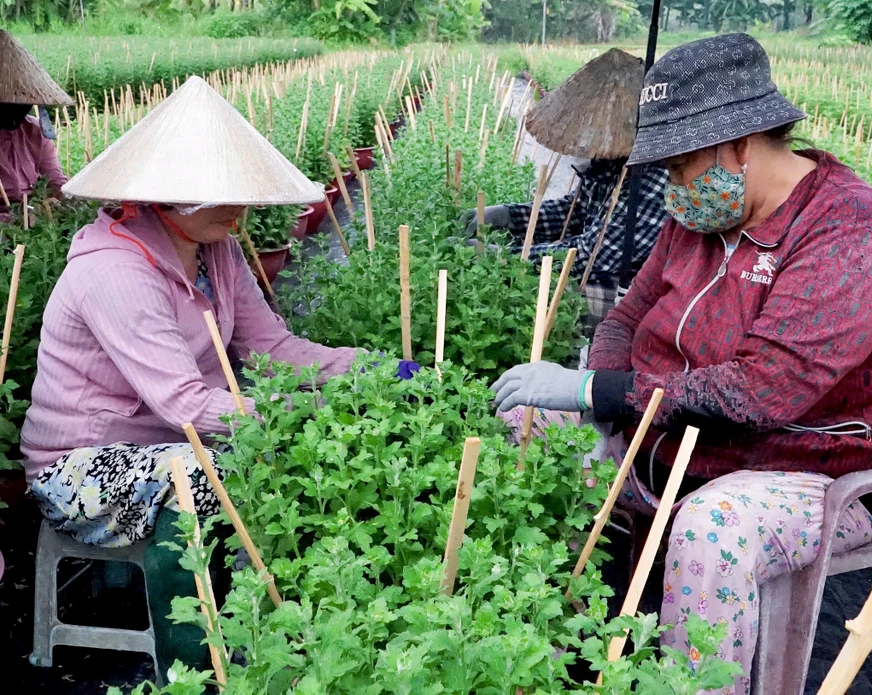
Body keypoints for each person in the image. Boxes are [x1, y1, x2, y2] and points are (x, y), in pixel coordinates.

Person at [490, 34, 872, 694]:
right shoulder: (699, 216)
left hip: (811, 468)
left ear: (740, 143)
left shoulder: (850, 229)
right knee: (532, 422)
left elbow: (758, 393)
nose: (671, 185)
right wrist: (594, 396)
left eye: (681, 163)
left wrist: (599, 390)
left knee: (710, 530)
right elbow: (628, 317)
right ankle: (553, 642)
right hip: (679, 439)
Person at [19, 75, 408, 672]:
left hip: (165, 443)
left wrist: (374, 372)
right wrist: (294, 418)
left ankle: (257, 615)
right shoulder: (115, 271)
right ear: (169, 196)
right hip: (80, 466)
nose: (241, 209)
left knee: (249, 463)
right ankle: (195, 659)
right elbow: (185, 405)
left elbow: (272, 349)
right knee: (208, 477)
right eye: (223, 194)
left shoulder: (215, 252)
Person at [460, 49, 670, 332]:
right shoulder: (614, 159)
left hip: (638, 300)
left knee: (539, 299)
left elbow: (589, 256)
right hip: (602, 267)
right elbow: (578, 210)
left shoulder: (653, 177)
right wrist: (510, 216)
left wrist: (505, 257)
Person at [0, 30, 72, 214]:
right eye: (9, 104)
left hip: (32, 221)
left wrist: (61, 203)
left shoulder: (34, 132)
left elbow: (56, 182)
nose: (17, 111)